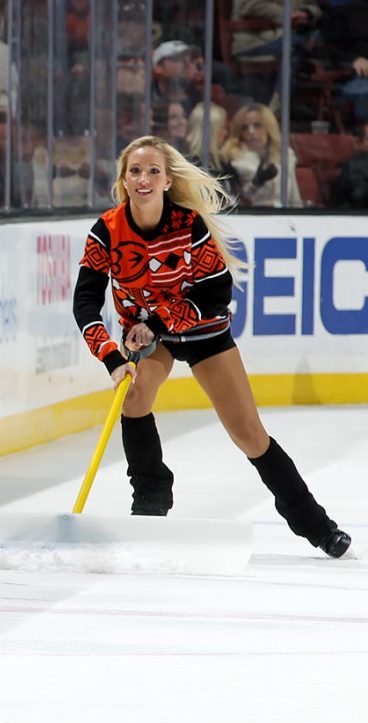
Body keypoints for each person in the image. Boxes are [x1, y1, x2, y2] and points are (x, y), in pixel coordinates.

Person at [71, 135, 352, 559]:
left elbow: (215, 294)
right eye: (135, 171)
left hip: (204, 332)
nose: (143, 179)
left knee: (249, 435)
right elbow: (84, 304)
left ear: (167, 181)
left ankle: (318, 525)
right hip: (152, 340)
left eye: (153, 171)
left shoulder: (188, 225)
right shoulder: (106, 231)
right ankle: (151, 500)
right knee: (131, 394)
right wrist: (112, 357)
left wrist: (156, 321)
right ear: (123, 180)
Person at [221, 103, 301, 208]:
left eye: (257, 125)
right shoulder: (234, 160)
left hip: (284, 215)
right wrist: (258, 182)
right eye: (244, 128)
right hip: (254, 216)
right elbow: (239, 200)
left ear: (269, 128)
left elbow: (294, 197)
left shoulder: (286, 155)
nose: (251, 131)